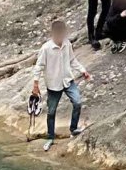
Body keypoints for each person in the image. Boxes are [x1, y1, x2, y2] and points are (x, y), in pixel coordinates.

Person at [31, 20, 92, 151]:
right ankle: (50, 137)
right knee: (51, 112)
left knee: (77, 102)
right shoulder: (46, 48)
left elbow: (72, 60)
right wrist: (35, 85)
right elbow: (39, 67)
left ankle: (74, 128)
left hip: (67, 81)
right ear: (53, 33)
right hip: (53, 84)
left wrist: (83, 70)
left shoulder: (67, 44)